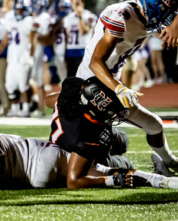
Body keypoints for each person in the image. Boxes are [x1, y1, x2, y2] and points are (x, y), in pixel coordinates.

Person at [0, 89, 175, 192]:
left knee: (103, 170)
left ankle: (152, 178)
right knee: (114, 152)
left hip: (35, 179)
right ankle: (155, 173)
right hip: (42, 152)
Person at [76, 0, 178, 172]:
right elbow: (95, 61)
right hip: (93, 85)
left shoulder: (147, 19)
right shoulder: (120, 15)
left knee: (154, 126)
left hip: (111, 84)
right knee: (93, 151)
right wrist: (119, 88)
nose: (170, 17)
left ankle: (169, 162)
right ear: (153, 5)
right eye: (167, 10)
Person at [45, 77, 176, 190]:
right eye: (111, 112)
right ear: (94, 111)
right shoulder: (84, 136)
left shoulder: (74, 90)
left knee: (122, 139)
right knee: (124, 164)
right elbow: (73, 181)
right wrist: (112, 180)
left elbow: (48, 100)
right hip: (77, 152)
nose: (116, 115)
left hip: (77, 130)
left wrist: (61, 101)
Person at [63, 0, 96, 77]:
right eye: (74, 3)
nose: (76, 6)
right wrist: (65, 53)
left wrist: (80, 16)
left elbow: (84, 31)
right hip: (70, 51)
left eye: (78, 3)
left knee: (83, 79)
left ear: (82, 3)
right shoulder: (68, 18)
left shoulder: (89, 16)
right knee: (71, 80)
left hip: (83, 51)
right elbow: (67, 37)